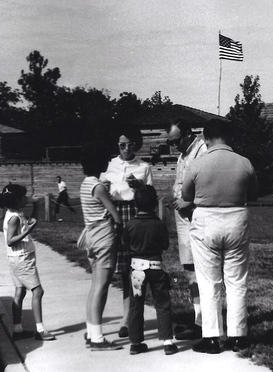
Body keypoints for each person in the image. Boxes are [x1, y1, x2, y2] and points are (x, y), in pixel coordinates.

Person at [182, 119, 257, 354]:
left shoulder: (197, 164)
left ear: (206, 138)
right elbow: (253, 193)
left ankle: (212, 337)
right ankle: (238, 336)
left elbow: (186, 194)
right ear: (229, 137)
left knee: (208, 281)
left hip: (206, 220)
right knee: (236, 280)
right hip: (236, 218)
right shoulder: (244, 163)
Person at [100, 126, 153, 338]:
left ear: (136, 144)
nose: (126, 148)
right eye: (122, 144)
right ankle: (125, 318)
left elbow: (149, 195)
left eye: (130, 144)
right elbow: (102, 190)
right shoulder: (111, 164)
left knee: (135, 268)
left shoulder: (143, 166)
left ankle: (129, 319)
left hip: (135, 212)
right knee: (121, 270)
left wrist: (139, 186)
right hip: (114, 213)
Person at [78, 143, 124, 350]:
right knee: (102, 286)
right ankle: (97, 338)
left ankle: (91, 332)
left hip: (91, 237)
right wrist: (120, 224)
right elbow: (114, 213)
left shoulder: (86, 184)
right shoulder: (98, 186)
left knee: (95, 285)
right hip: (104, 237)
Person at [124, 186, 178, 356]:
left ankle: (136, 342)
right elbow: (165, 245)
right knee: (162, 303)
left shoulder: (130, 225)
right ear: (155, 204)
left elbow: (125, 244)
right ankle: (168, 342)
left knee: (136, 305)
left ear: (135, 204)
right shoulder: (159, 225)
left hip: (136, 270)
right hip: (155, 267)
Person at [0, 183, 56, 341]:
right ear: (16, 200)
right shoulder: (14, 218)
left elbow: (31, 221)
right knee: (38, 292)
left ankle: (17, 330)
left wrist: (36, 205)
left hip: (16, 259)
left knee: (20, 292)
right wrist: (29, 230)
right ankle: (40, 330)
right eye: (23, 196)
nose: (26, 198)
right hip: (22, 259)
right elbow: (10, 241)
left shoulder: (16, 213)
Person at [166, 119, 207, 340]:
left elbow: (208, 186)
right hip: (182, 218)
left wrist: (189, 203)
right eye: (171, 142)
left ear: (188, 134)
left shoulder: (202, 151)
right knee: (190, 270)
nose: (174, 146)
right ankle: (198, 320)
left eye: (176, 141)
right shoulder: (183, 155)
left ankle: (206, 322)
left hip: (197, 216)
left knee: (203, 270)